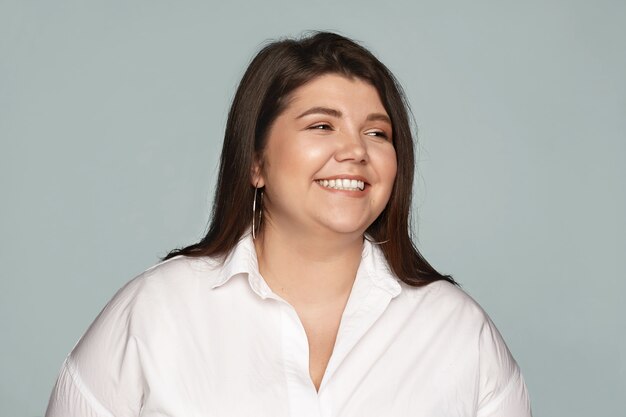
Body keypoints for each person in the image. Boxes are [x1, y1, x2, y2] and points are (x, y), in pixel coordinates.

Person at [45, 31, 532, 417]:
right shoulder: (154, 313)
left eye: (377, 132)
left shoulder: (460, 332)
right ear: (256, 162)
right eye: (322, 125)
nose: (355, 151)